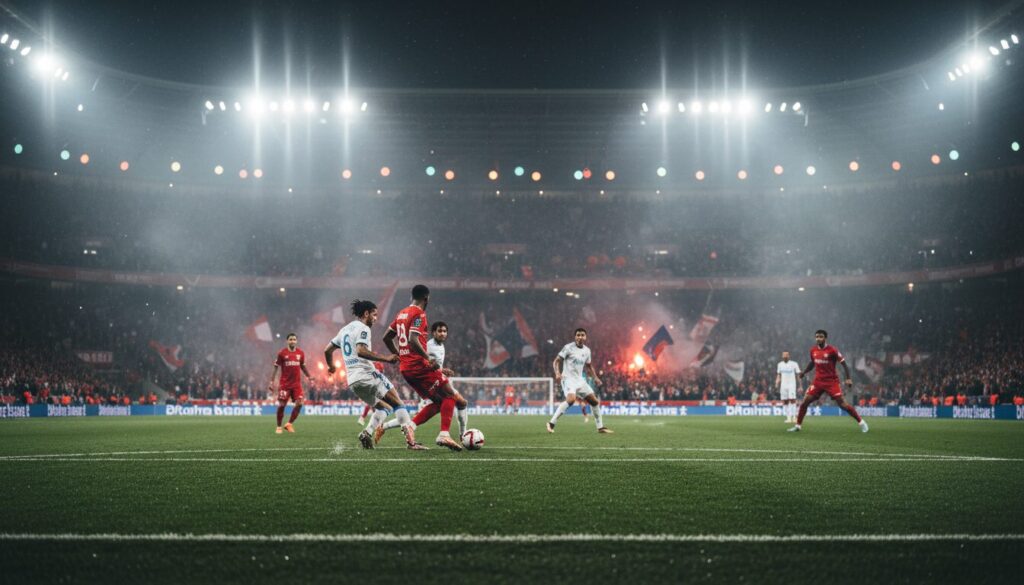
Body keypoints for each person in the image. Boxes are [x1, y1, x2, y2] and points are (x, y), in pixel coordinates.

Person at [324, 299, 426, 450]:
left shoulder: (344, 330)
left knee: (384, 408)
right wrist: (386, 358)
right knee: (398, 404)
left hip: (353, 381)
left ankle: (367, 432)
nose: (376, 318)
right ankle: (411, 443)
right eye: (374, 314)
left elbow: (327, 350)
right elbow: (361, 350)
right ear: (366, 313)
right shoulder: (363, 329)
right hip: (367, 374)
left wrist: (331, 366)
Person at [381, 285, 465, 451]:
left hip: (406, 369)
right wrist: (428, 359)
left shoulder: (401, 314)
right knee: (450, 395)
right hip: (419, 366)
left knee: (440, 401)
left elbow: (386, 337)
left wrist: (399, 355)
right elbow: (413, 339)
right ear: (427, 298)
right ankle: (444, 435)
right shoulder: (419, 314)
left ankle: (411, 426)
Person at [378, 320, 468, 438]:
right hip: (428, 383)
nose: (442, 334)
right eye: (439, 331)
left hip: (436, 380)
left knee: (461, 402)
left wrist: (441, 370)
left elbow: (433, 365)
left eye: (445, 331)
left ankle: (463, 434)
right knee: (452, 401)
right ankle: (460, 434)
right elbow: (422, 362)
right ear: (433, 333)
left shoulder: (441, 346)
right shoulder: (428, 346)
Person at [788, 330, 868, 433]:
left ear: (825, 338)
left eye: (821, 337)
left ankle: (862, 423)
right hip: (818, 382)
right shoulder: (813, 350)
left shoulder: (832, 350)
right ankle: (798, 426)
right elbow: (812, 363)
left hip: (831, 382)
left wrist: (848, 378)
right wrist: (804, 372)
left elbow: (844, 364)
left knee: (843, 404)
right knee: (805, 402)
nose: (818, 338)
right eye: (817, 337)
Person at [547, 328, 612, 434]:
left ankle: (600, 427)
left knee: (594, 402)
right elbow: (556, 361)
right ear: (575, 337)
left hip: (580, 380)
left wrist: (595, 377)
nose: (580, 337)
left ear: (585, 337)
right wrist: (557, 373)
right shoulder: (568, 348)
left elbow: (589, 366)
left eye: (582, 335)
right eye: (578, 335)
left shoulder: (587, 351)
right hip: (568, 379)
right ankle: (551, 423)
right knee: (571, 400)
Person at [269, 333, 314, 434]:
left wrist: (309, 376)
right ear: (287, 341)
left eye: (294, 339)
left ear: (296, 341)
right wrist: (271, 381)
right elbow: (276, 367)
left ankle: (289, 424)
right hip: (285, 385)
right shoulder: (282, 353)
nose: (292, 341)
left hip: (296, 385)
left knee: (300, 403)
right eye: (290, 339)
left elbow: (303, 366)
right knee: (282, 405)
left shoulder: (301, 353)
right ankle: (279, 427)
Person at [776, 351, 801, 423]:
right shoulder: (779, 364)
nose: (785, 356)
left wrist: (800, 386)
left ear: (789, 356)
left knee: (792, 400)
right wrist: (777, 382)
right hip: (783, 385)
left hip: (792, 385)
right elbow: (778, 374)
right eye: (783, 355)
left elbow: (798, 375)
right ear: (782, 356)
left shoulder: (794, 364)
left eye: (786, 355)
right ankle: (788, 417)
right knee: (785, 401)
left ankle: (794, 417)